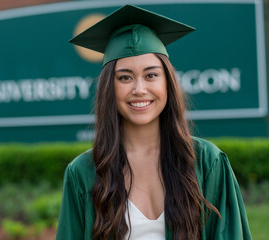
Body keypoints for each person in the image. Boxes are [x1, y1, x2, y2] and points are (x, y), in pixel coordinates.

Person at [56, 5, 251, 240]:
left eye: (151, 75)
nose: (139, 89)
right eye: (125, 77)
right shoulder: (84, 174)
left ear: (167, 82)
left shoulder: (207, 162)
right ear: (109, 87)